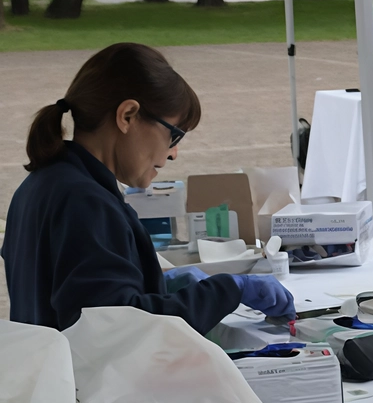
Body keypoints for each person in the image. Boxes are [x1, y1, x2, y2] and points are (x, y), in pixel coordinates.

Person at [2, 43, 296, 334]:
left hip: (56, 375)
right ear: (127, 116)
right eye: (174, 135)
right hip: (89, 380)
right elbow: (118, 330)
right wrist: (226, 290)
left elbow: (85, 301)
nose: (173, 154)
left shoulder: (42, 183)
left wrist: (158, 285)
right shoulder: (85, 201)